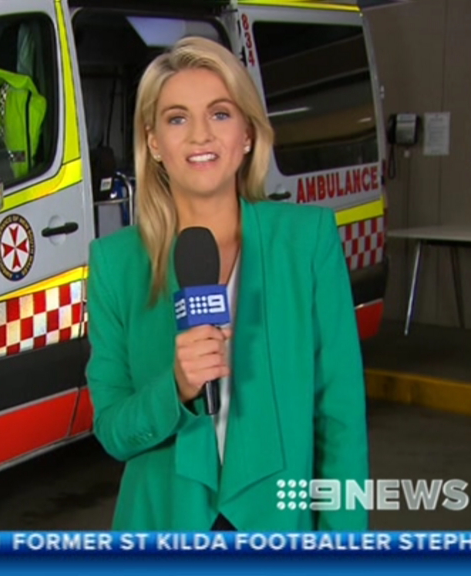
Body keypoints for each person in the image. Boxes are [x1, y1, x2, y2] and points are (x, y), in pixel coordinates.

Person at [84, 36, 369, 532]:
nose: (200, 135)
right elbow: (113, 432)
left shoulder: (306, 241)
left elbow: (339, 418)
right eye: (177, 118)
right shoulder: (114, 263)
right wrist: (175, 387)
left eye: (219, 114)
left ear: (248, 134)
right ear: (154, 142)